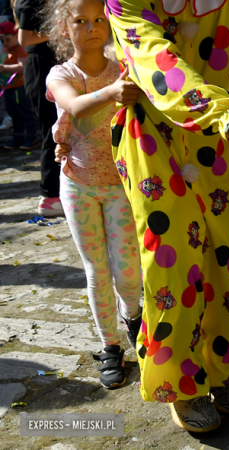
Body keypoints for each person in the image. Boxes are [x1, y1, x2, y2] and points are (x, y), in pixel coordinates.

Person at [105, 0, 229, 433]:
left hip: (226, 136)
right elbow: (154, 58)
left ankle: (223, 369)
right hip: (155, 137)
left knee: (227, 255)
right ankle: (180, 383)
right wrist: (225, 115)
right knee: (171, 261)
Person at [42, 0, 143, 389]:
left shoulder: (125, 69)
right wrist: (116, 92)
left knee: (128, 272)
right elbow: (75, 107)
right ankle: (110, 347)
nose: (91, 27)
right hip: (78, 185)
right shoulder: (60, 74)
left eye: (99, 18)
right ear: (65, 29)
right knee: (97, 272)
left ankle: (133, 316)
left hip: (120, 186)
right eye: (80, 20)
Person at [15, 0, 62, 216]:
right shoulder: (30, 0)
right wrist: (65, 28)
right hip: (42, 67)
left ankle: (58, 192)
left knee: (61, 131)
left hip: (52, 63)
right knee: (52, 133)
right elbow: (24, 38)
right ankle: (50, 196)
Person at [0, 21, 36, 150]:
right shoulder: (6, 51)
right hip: (8, 88)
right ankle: (17, 138)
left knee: (25, 112)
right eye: (2, 40)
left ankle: (32, 137)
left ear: (16, 36)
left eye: (8, 39)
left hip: (19, 87)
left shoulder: (20, 49)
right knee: (13, 113)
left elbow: (22, 67)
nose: (5, 42)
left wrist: (3, 68)